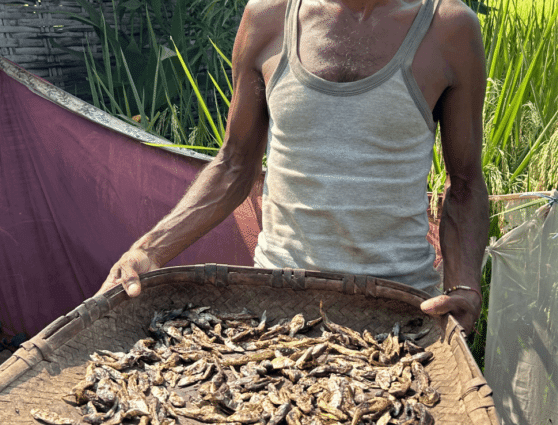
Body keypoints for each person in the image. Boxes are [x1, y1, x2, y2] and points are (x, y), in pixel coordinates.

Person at [96, 0, 489, 334]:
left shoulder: (447, 28)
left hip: (400, 311)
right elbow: (234, 164)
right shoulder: (268, 18)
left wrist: (464, 285)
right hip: (278, 307)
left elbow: (467, 183)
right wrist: (148, 251)